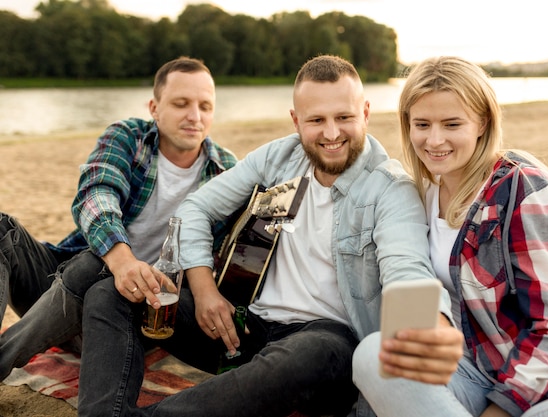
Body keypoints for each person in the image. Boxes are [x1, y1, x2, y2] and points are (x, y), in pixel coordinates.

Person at [75, 54, 455, 417]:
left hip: (325, 345)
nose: (332, 133)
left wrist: (423, 326)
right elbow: (196, 208)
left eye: (344, 117)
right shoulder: (279, 157)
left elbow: (407, 268)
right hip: (245, 327)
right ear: (295, 120)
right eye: (316, 120)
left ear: (366, 113)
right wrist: (205, 291)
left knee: (309, 354)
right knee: (110, 293)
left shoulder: (390, 189)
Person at [352, 56, 548, 417]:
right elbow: (415, 288)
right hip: (480, 369)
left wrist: (500, 410)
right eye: (422, 124)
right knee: (374, 356)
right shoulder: (420, 196)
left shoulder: (527, 191)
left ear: (482, 122)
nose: (434, 140)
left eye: (452, 124)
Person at [0, 56, 237, 381]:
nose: (194, 117)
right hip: (60, 287)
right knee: (7, 231)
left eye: (205, 106)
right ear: (154, 108)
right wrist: (123, 261)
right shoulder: (129, 136)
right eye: (181, 104)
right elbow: (96, 193)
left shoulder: (226, 170)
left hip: (127, 312)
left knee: (93, 269)